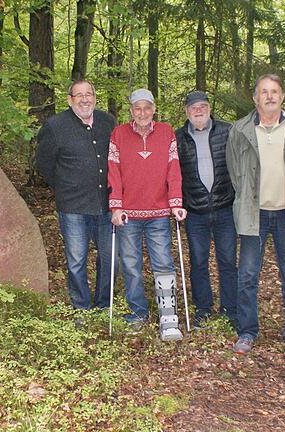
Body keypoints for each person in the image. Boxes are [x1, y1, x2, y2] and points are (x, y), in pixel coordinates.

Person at [226, 74, 285, 363]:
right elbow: (235, 171)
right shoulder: (240, 130)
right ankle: (247, 332)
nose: (270, 96)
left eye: (274, 91)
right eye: (264, 92)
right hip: (255, 213)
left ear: (282, 96)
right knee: (247, 275)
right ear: (255, 98)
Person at [107, 88, 187, 341]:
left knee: (163, 262)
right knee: (131, 266)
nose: (142, 112)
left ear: (154, 109)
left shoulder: (166, 132)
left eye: (147, 107)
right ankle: (137, 313)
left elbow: (174, 169)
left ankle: (168, 316)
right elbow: (113, 172)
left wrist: (176, 202)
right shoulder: (118, 134)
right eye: (137, 108)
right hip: (128, 213)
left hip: (159, 212)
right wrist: (116, 206)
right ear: (131, 110)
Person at [35, 80, 116, 312]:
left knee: (110, 259)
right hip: (73, 206)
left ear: (95, 97)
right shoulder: (55, 126)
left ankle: (104, 305)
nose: (84, 99)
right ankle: (81, 307)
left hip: (107, 204)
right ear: (70, 99)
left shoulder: (107, 122)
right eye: (78, 95)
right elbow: (44, 164)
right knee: (77, 261)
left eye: (88, 94)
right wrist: (64, 185)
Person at [174, 91, 238, 329]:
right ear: (186, 112)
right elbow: (173, 174)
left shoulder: (228, 131)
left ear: (209, 108)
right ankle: (203, 309)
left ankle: (231, 309)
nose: (198, 111)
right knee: (198, 262)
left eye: (202, 106)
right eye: (193, 107)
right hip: (195, 211)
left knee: (228, 261)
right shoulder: (178, 138)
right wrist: (179, 202)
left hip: (225, 208)